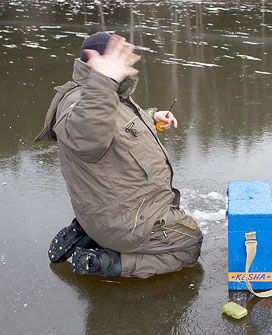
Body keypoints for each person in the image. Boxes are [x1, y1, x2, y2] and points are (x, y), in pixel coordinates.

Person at [35, 32, 203, 278]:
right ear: (98, 63)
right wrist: (105, 79)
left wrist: (152, 116)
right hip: (129, 223)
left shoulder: (104, 95)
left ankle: (91, 233)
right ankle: (109, 262)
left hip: (120, 212)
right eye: (118, 58)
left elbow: (112, 121)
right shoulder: (82, 100)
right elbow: (88, 135)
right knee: (190, 243)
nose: (127, 65)